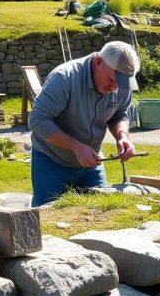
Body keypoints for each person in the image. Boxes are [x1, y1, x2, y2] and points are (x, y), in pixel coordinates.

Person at [28, 41, 140, 206]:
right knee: (47, 218)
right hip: (51, 160)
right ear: (98, 62)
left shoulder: (121, 85)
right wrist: (76, 147)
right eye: (112, 79)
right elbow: (37, 120)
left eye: (121, 83)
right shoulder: (65, 78)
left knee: (98, 212)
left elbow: (119, 114)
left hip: (92, 163)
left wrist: (122, 136)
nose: (115, 88)